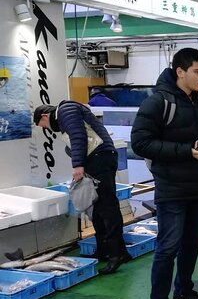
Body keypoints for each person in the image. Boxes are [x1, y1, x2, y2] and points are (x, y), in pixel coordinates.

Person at [131, 48, 198, 299]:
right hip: (171, 189)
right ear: (180, 72)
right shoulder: (158, 102)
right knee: (167, 249)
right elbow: (140, 143)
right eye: (197, 71)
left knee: (192, 245)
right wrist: (184, 152)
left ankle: (183, 292)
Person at [33, 101, 130, 275]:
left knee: (107, 208)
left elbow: (78, 136)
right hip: (98, 159)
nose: (48, 129)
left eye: (45, 126)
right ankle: (105, 250)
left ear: (45, 116)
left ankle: (116, 254)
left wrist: (77, 165)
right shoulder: (67, 114)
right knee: (97, 209)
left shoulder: (65, 111)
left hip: (100, 159)